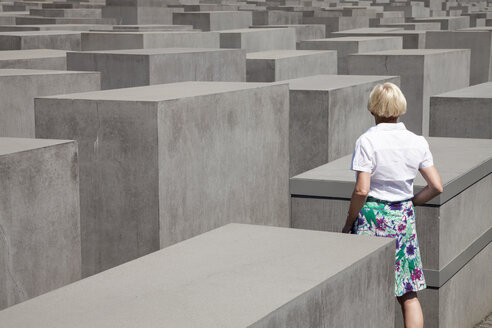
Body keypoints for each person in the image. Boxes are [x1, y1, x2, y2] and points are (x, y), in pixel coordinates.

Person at [341, 83, 443, 328]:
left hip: (371, 217)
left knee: (366, 286)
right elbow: (436, 186)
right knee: (408, 294)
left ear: (373, 108)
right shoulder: (417, 142)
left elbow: (362, 189)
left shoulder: (367, 141)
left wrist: (348, 222)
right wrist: (411, 203)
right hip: (403, 217)